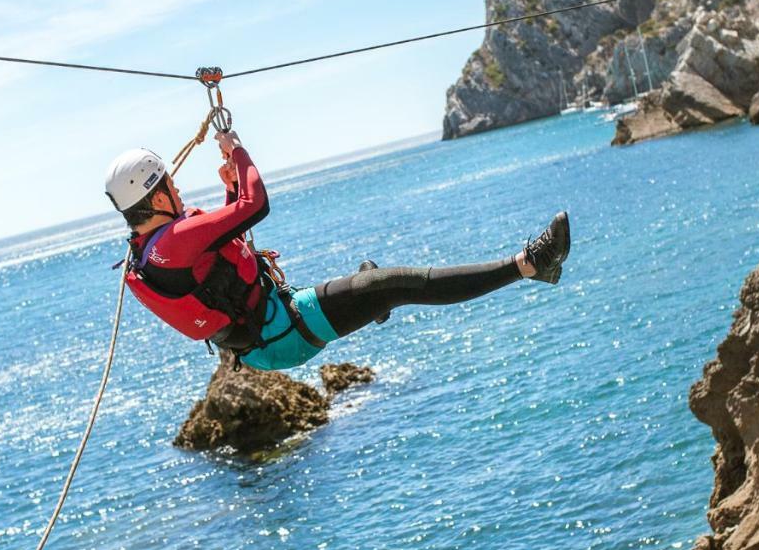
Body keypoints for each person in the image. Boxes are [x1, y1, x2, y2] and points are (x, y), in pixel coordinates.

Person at [104, 131, 571, 371]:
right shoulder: (176, 240)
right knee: (396, 285)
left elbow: (214, 265)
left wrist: (227, 194)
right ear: (155, 195)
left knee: (371, 288)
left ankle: (371, 299)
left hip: (267, 334)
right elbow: (256, 205)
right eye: (169, 182)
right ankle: (531, 265)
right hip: (283, 331)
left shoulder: (150, 250)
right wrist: (238, 153)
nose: (177, 185)